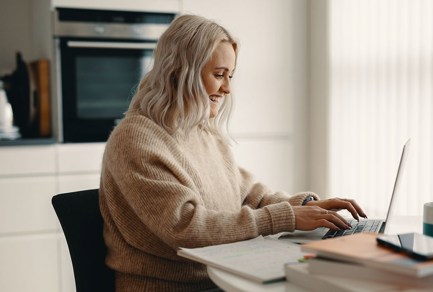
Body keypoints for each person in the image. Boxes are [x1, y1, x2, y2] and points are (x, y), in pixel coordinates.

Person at [99, 14, 367, 291]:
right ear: (179, 71)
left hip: (218, 277)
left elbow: (250, 195)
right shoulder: (136, 140)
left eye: (230, 76)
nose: (227, 88)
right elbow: (186, 227)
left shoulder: (201, 130)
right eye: (218, 75)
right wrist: (287, 217)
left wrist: (304, 206)